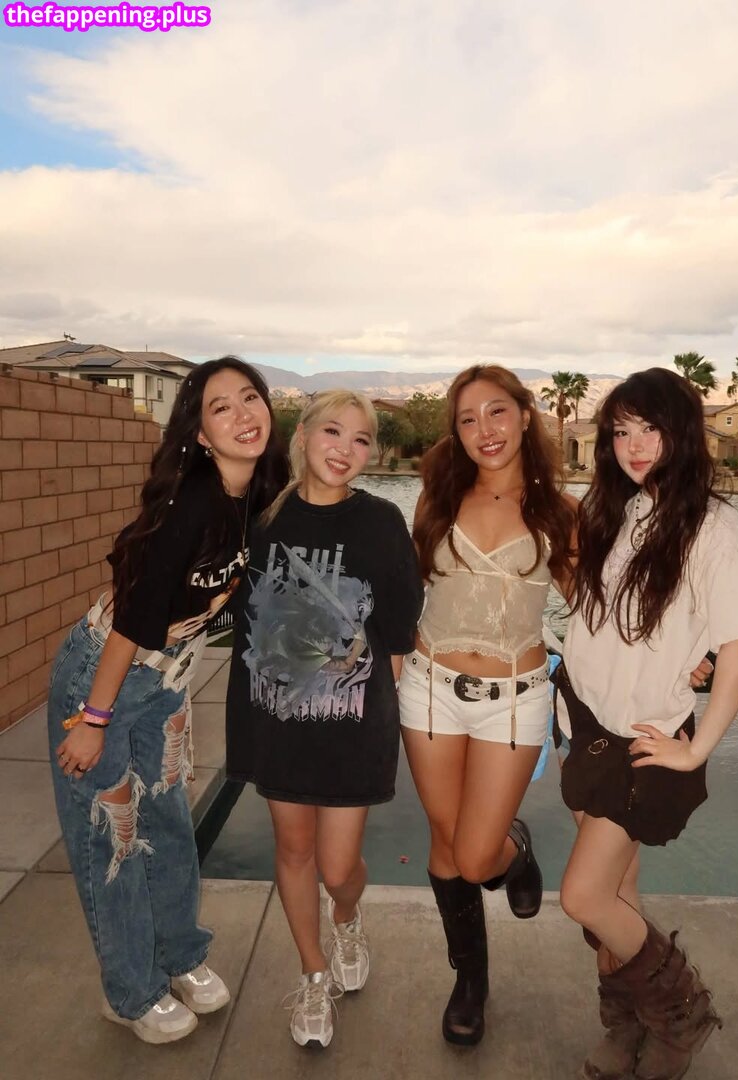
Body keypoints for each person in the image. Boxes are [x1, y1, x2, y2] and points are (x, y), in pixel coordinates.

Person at [49, 357, 288, 1044]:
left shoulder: (256, 496)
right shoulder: (194, 502)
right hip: (105, 676)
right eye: (221, 407)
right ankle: (129, 993)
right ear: (201, 435)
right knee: (113, 840)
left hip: (165, 680)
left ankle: (179, 955)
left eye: (250, 397)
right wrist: (93, 721)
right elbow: (134, 616)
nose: (243, 414)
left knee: (171, 825)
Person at [555, 368, 738, 1080]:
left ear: (682, 432)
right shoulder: (618, 510)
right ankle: (627, 1024)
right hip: (584, 722)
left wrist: (696, 749)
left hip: (643, 741)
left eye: (650, 429)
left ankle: (683, 1009)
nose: (634, 445)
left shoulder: (714, 527)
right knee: (617, 895)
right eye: (622, 430)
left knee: (583, 897)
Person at [226, 390, 423, 1050]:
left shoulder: (381, 522)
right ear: (304, 435)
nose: (345, 449)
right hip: (277, 721)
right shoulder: (262, 519)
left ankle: (346, 917)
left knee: (338, 869)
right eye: (333, 431)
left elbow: (399, 627)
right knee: (293, 850)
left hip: (351, 723)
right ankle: (313, 975)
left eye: (361, 439)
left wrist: (376, 706)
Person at [398, 364, 578, 1045]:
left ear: (525, 416)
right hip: (429, 689)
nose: (485, 430)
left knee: (476, 858)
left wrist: (683, 649)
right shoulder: (438, 498)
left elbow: (596, 606)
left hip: (515, 698)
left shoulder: (559, 513)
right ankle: (470, 979)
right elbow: (406, 585)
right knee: (445, 842)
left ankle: (513, 851)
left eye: (497, 411)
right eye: (468, 419)